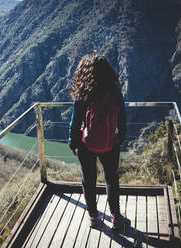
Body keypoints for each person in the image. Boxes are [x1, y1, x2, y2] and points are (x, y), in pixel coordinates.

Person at [68, 53, 127, 230]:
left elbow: (75, 120)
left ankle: (93, 217)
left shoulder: (84, 92)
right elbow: (122, 116)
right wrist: (120, 138)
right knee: (111, 178)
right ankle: (116, 217)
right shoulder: (114, 90)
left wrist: (73, 142)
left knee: (88, 179)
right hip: (111, 142)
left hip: (86, 144)